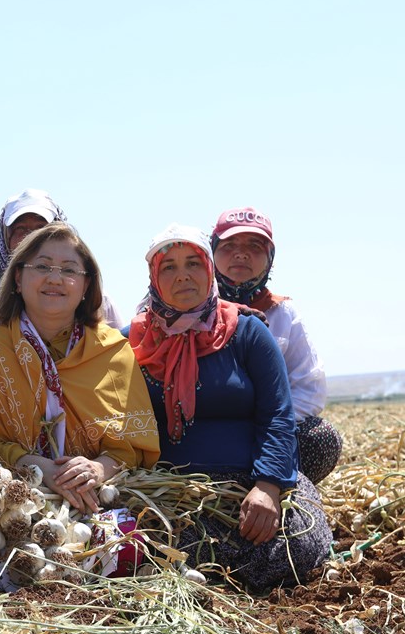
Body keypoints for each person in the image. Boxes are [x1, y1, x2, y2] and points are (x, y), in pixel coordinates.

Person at [128, 224, 330, 591]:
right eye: (169, 266)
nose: (183, 275)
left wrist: (268, 486)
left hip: (247, 480)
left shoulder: (248, 330)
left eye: (193, 263)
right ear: (153, 278)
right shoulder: (134, 340)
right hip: (171, 489)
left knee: (300, 541)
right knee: (160, 546)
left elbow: (278, 414)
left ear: (209, 270)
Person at [0, 222, 163, 517]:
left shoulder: (112, 351)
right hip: (10, 506)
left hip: (101, 501)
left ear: (86, 286)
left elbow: (133, 446)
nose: (55, 279)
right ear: (17, 278)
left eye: (69, 270)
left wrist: (97, 468)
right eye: (42, 266)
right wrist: (36, 466)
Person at [211, 207, 343, 484]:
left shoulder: (282, 313)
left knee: (321, 438)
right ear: (210, 252)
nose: (241, 253)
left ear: (270, 258)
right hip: (201, 431)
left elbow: (310, 389)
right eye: (229, 245)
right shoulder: (183, 306)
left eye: (254, 246)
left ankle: (277, 488)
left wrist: (264, 424)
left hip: (265, 429)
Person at [0, 188, 126, 350]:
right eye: (21, 229)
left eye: (41, 228)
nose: (31, 238)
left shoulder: (97, 300)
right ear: (6, 238)